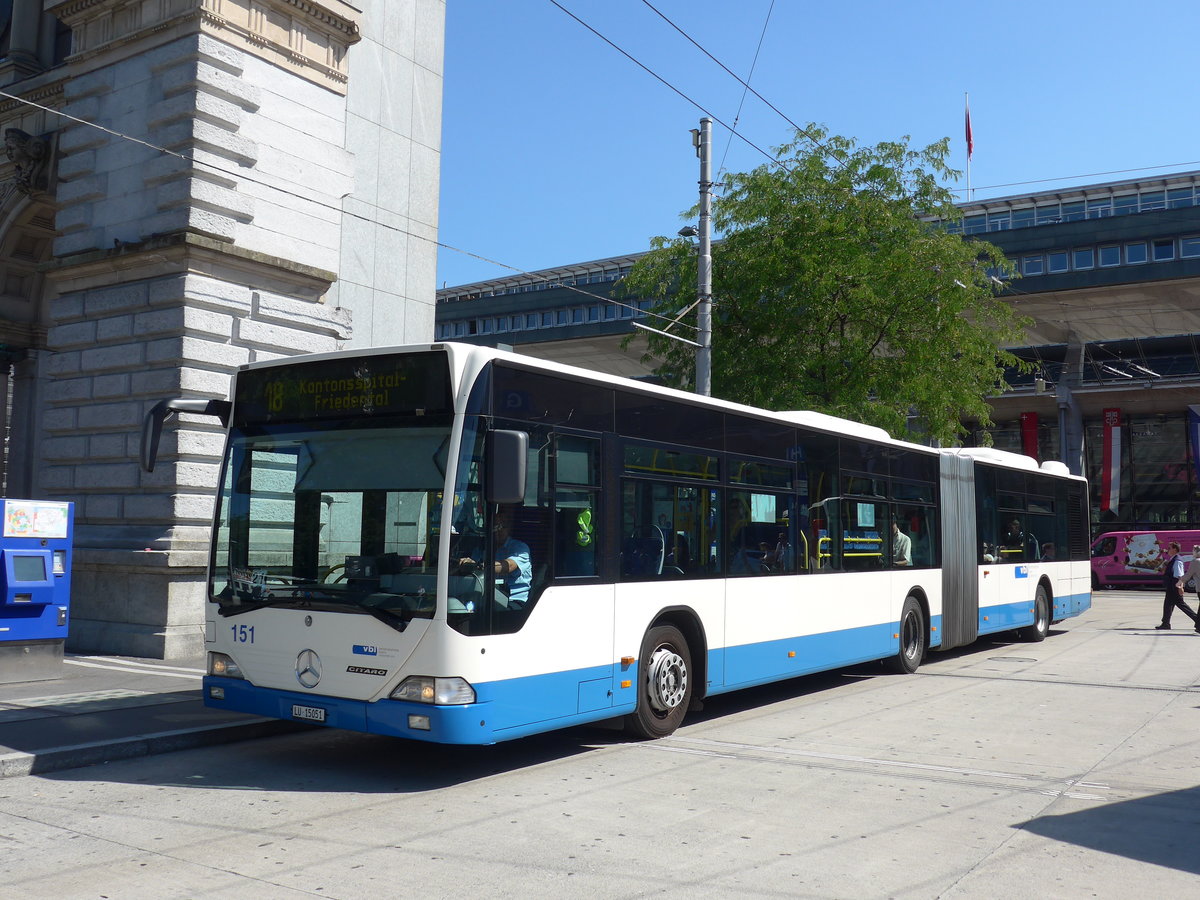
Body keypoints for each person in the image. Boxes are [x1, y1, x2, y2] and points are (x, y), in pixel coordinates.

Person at [458, 508, 532, 607]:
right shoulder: (483, 548)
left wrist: (481, 566)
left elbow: (509, 566)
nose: (499, 530)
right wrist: (467, 564)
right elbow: (473, 566)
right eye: (496, 526)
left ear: (510, 528)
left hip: (514, 601)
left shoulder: (520, 548)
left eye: (503, 526)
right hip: (486, 596)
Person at [1155, 541, 1197, 631]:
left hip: (1175, 586)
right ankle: (1165, 623)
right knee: (1168, 604)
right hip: (1171, 585)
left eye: (1169, 548)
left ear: (1174, 549)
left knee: (1181, 605)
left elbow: (1179, 575)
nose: (1168, 550)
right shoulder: (1172, 559)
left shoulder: (1177, 560)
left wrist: (1180, 587)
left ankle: (1198, 620)